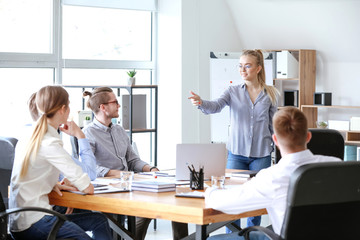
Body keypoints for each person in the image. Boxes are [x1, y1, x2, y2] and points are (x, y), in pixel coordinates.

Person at [205, 107, 341, 240]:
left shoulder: (273, 177)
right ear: (308, 136)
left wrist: (209, 191)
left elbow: (224, 203)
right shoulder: (337, 166)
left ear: (275, 140)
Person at [189, 49, 279, 230]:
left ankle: (252, 234)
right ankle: (234, 235)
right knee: (233, 198)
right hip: (236, 154)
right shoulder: (232, 91)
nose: (242, 70)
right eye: (240, 66)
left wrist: (279, 151)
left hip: (261, 155)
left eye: (247, 66)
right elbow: (215, 106)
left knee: (256, 199)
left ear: (258, 68)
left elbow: (273, 125)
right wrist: (201, 102)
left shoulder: (270, 94)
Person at [82, 87, 188, 240]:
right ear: (103, 107)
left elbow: (132, 160)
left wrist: (150, 169)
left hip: (129, 183)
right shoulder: (88, 133)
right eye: (115, 102)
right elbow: (89, 167)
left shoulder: (119, 130)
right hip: (107, 189)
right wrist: (117, 173)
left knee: (175, 199)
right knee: (146, 210)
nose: (119, 106)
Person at [9, 85, 112, 240]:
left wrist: (53, 184)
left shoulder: (28, 137)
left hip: (20, 220)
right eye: (69, 106)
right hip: (36, 222)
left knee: (98, 221)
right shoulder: (49, 142)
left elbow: (30, 175)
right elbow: (88, 188)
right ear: (63, 109)